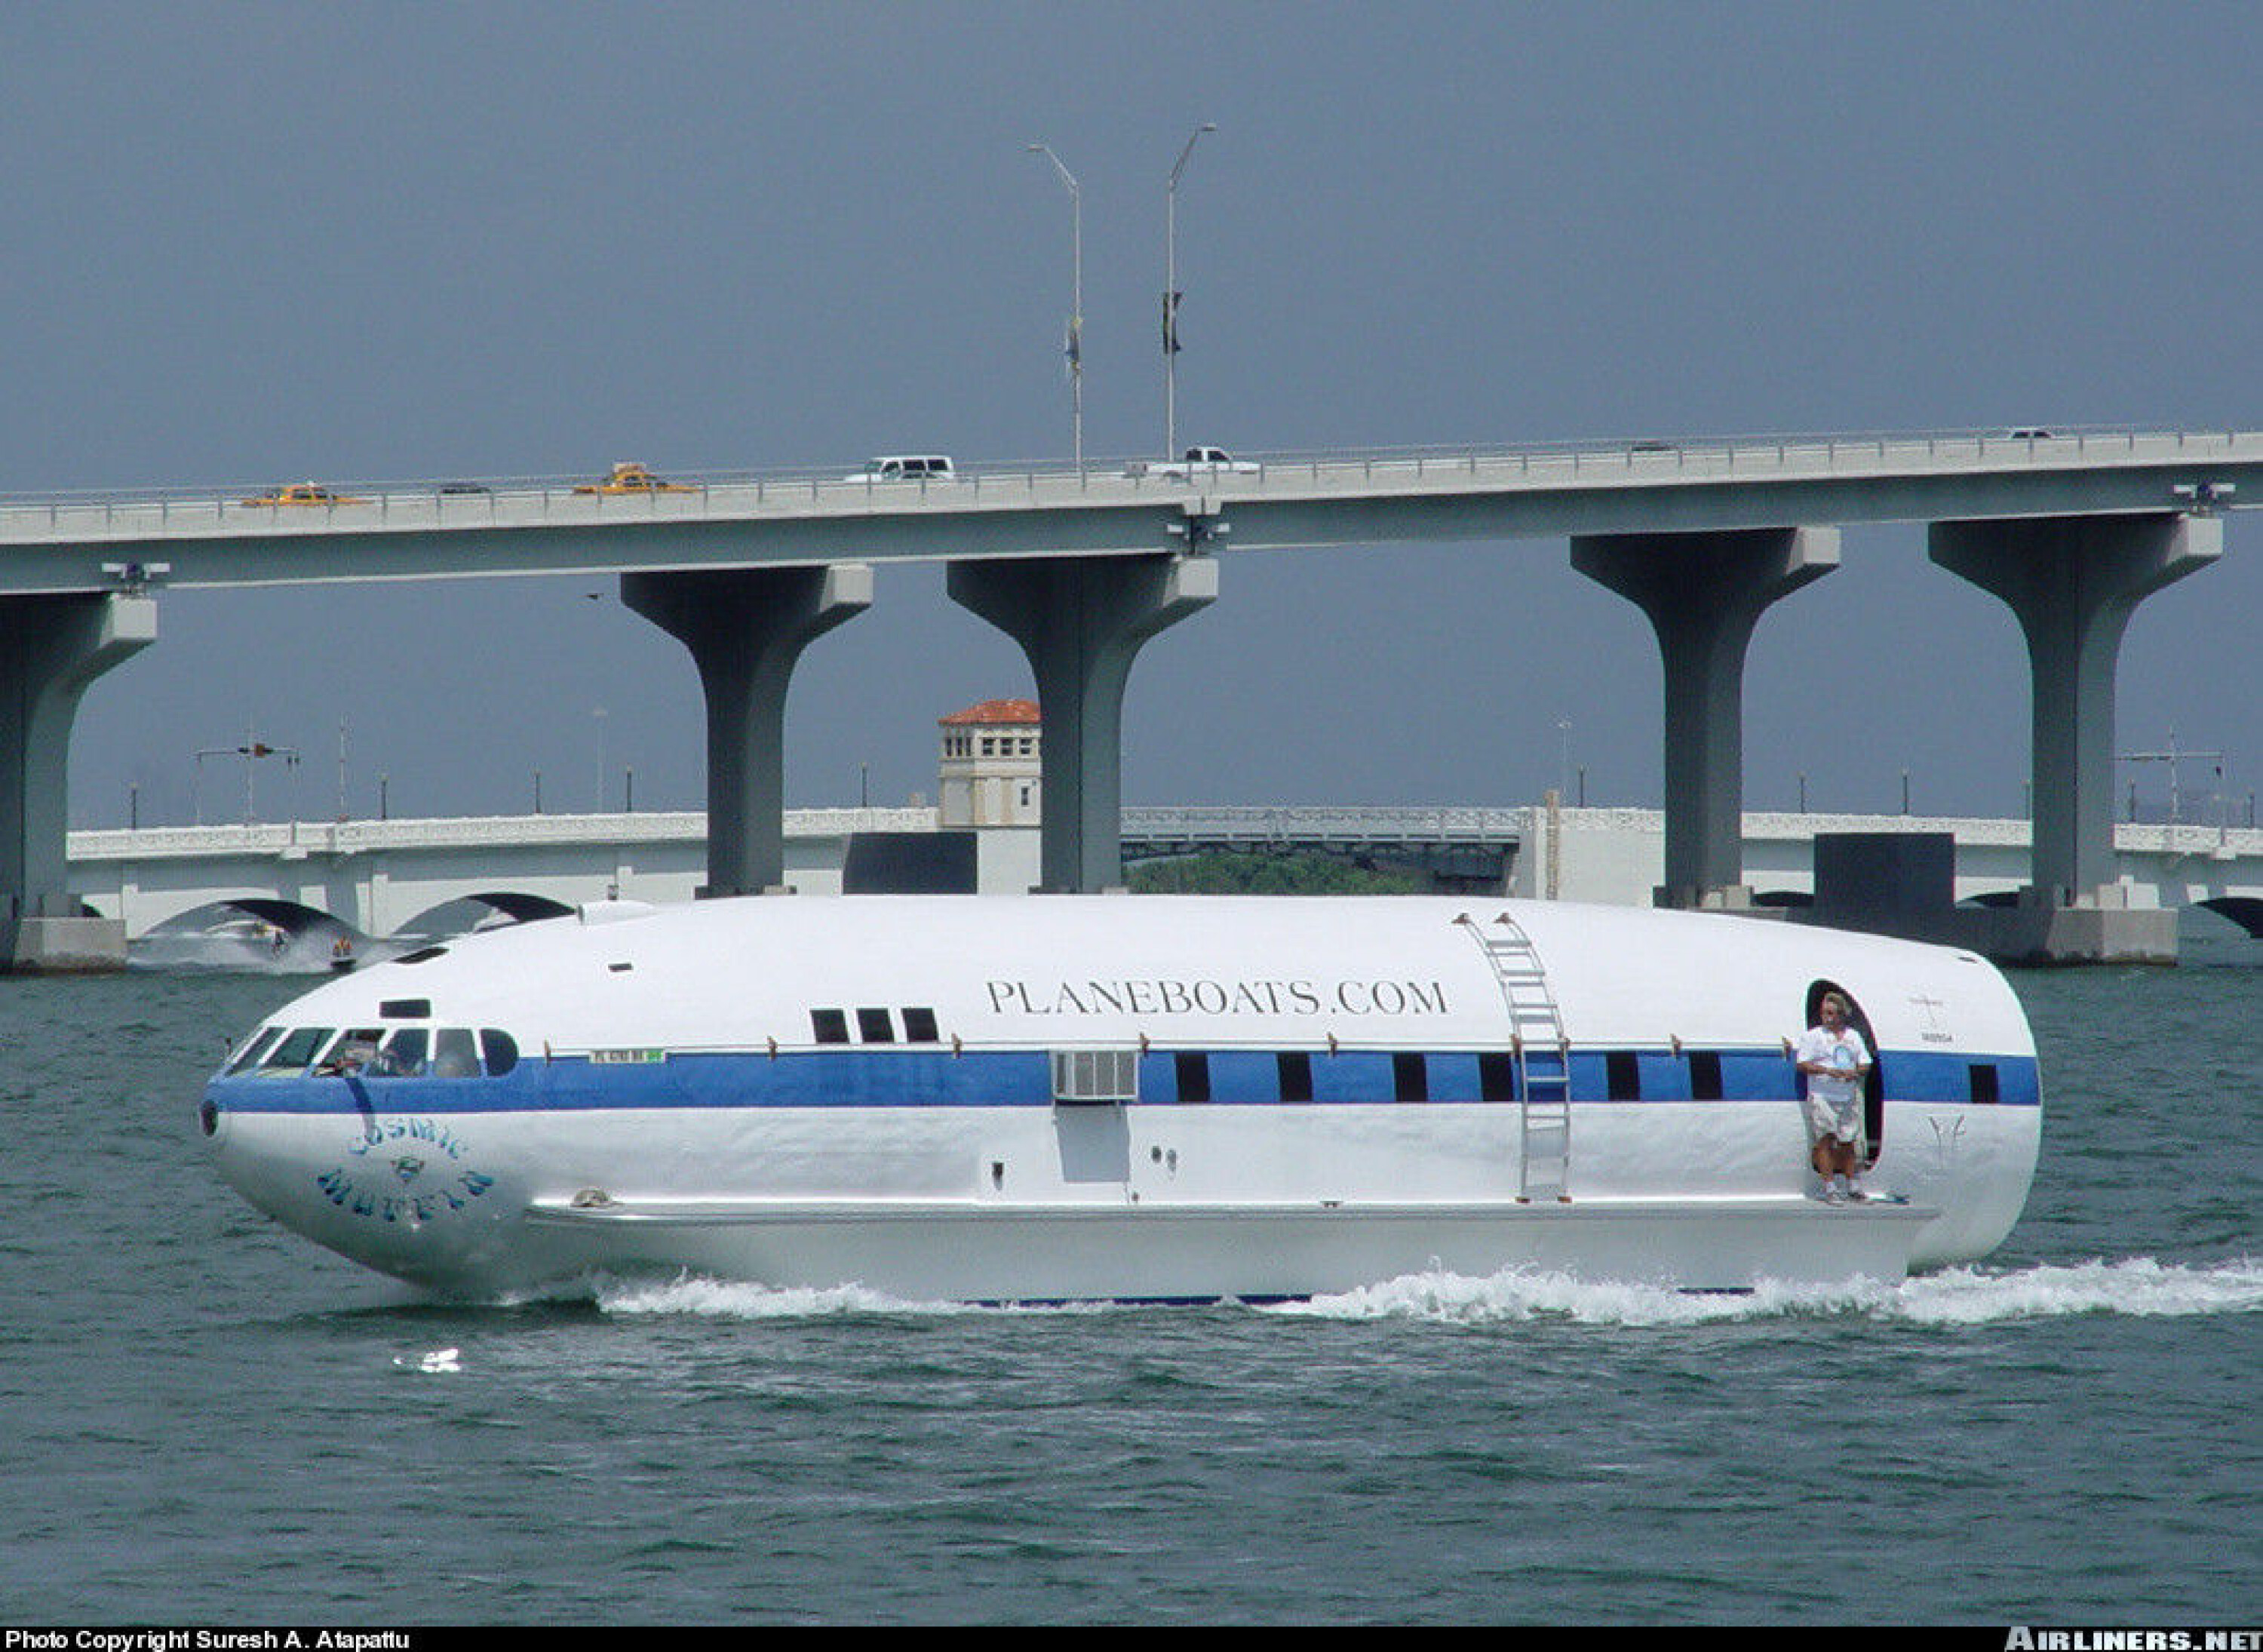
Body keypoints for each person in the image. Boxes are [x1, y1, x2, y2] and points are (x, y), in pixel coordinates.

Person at [1793, 992, 1872, 1203]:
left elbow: (1865, 1062)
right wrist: (1827, 1071)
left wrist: (1855, 1072)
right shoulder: (1814, 1037)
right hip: (1823, 1095)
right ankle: (1830, 1187)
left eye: (1831, 1013)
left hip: (1847, 1095)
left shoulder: (1853, 1037)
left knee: (1848, 1140)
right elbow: (1802, 1064)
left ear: (1841, 1014)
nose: (1826, 1017)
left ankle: (1852, 1184)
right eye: (1824, 1013)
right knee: (1825, 1139)